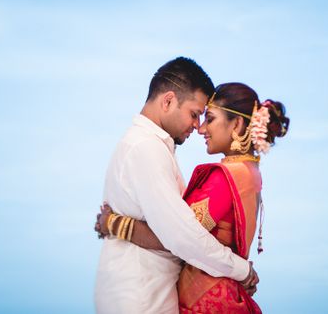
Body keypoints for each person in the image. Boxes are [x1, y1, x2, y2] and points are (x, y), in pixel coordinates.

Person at [98, 81, 290, 314]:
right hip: (222, 292)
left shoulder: (225, 177)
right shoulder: (249, 172)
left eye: (210, 119)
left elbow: (179, 237)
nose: (201, 129)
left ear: (237, 124)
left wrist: (115, 223)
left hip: (206, 300)